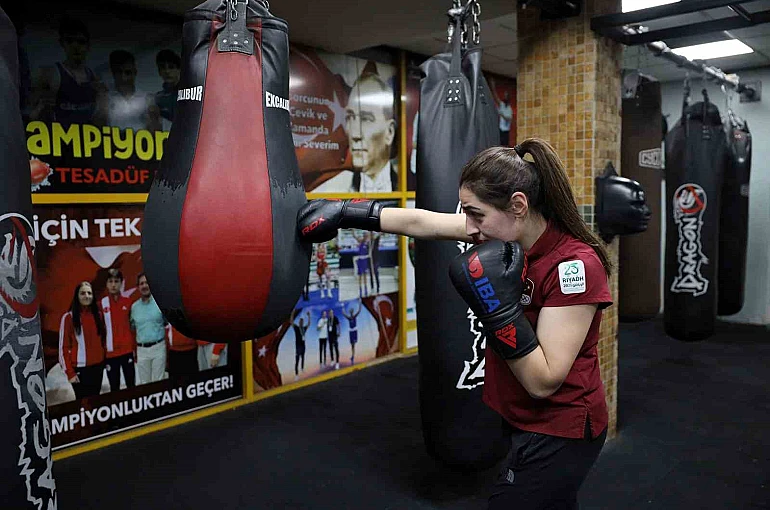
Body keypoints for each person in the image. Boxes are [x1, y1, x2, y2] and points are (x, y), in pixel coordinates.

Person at [298, 138, 612, 509]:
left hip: (563, 428)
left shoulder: (573, 266)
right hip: (524, 420)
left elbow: (543, 380)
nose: (469, 227)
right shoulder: (505, 233)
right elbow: (421, 221)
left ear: (518, 205)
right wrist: (347, 212)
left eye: (475, 214)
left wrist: (496, 309)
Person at [312, 69, 397, 193]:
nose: (355, 134)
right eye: (350, 117)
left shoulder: (409, 186)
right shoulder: (331, 190)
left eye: (366, 119)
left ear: (389, 132)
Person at [28, 18, 107, 126]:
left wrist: (103, 105)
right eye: (70, 41)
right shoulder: (49, 75)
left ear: (88, 46)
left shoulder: (95, 79)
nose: (76, 47)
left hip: (85, 140)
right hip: (57, 138)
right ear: (62, 43)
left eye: (81, 42)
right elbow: (32, 117)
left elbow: (101, 121)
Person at [59, 281, 106, 399]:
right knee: (83, 405)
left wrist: (102, 362)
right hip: (80, 370)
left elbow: (103, 340)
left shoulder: (99, 315)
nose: (87, 296)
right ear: (77, 296)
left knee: (96, 402)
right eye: (83, 293)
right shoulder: (68, 318)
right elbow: (62, 348)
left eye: (89, 293)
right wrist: (70, 373)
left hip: (97, 368)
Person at [107, 50, 162, 132]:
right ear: (113, 73)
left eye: (127, 72)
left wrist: (154, 119)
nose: (123, 77)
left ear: (135, 72)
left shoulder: (147, 99)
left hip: (141, 143)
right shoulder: (106, 98)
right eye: (118, 72)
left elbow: (157, 133)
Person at [100, 268, 136, 392]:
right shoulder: (102, 304)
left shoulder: (128, 302)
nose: (113, 284)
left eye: (116, 281)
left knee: (131, 384)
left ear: (121, 283)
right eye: (110, 281)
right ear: (107, 284)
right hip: (111, 354)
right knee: (114, 388)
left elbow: (133, 327)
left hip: (127, 351)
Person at [130, 273, 167, 384]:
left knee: (159, 382)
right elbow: (132, 326)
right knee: (144, 384)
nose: (144, 286)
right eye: (141, 283)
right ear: (138, 287)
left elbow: (166, 322)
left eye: (147, 283)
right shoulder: (134, 307)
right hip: (142, 350)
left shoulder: (160, 303)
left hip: (158, 347)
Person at [154, 49, 181, 131]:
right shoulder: (157, 99)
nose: (167, 71)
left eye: (171, 67)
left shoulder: (189, 93)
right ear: (159, 72)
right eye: (163, 68)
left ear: (179, 69)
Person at [341, 300, 362, 365]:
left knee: (354, 344)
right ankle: (352, 356)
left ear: (353, 312)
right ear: (350, 312)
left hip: (354, 331)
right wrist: (343, 306)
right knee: (352, 345)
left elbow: (359, 310)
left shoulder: (354, 316)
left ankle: (353, 355)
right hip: (351, 332)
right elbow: (344, 313)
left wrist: (360, 303)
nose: (351, 312)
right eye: (350, 311)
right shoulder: (349, 318)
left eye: (352, 311)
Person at [292, 310, 311, 381]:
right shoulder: (296, 328)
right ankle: (296, 374)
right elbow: (291, 322)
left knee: (303, 357)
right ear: (299, 322)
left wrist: (309, 316)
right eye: (300, 321)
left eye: (302, 322)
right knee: (297, 359)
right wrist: (293, 314)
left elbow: (309, 324)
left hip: (303, 345)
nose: (301, 323)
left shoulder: (304, 328)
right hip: (298, 346)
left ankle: (302, 368)